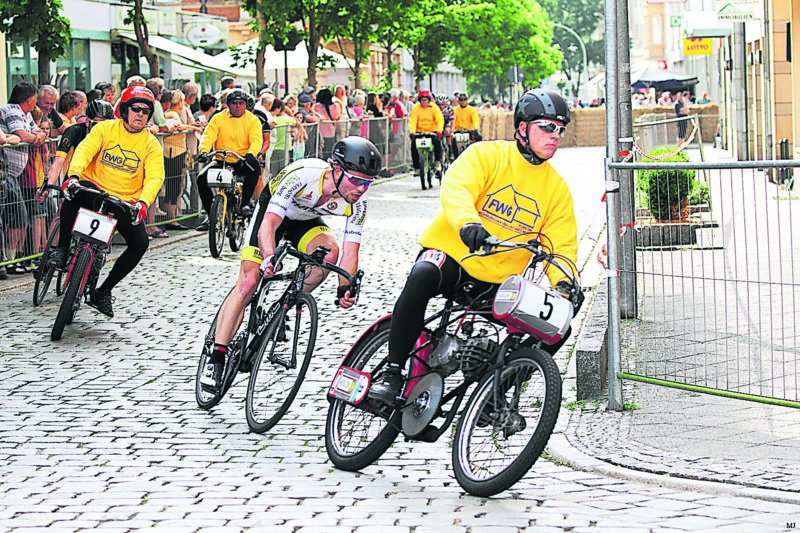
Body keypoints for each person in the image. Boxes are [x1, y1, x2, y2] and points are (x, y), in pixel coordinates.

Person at [369, 89, 584, 405]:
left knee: (557, 327)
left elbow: (561, 243)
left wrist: (565, 283)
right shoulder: (488, 155)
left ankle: (493, 395)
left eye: (560, 130)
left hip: (498, 282)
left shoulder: (557, 189)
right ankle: (392, 371)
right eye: (547, 127)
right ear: (522, 128)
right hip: (454, 256)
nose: (555, 136)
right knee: (422, 276)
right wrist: (468, 223)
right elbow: (458, 186)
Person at [199, 136, 383, 391]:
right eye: (357, 180)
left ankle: (280, 309)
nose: (362, 189)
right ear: (337, 171)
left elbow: (350, 252)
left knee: (330, 253)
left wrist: (345, 286)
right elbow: (270, 224)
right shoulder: (304, 175)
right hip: (272, 215)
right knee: (248, 283)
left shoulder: (358, 203)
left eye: (368, 183)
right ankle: (216, 357)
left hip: (306, 221)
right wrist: (269, 257)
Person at [45, 86, 165, 318]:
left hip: (124, 201)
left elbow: (155, 176)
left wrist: (143, 203)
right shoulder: (106, 128)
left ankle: (104, 291)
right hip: (93, 187)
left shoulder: (151, 144)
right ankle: (61, 249)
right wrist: (73, 176)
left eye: (145, 111)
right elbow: (85, 150)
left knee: (140, 243)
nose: (140, 114)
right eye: (135, 109)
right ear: (124, 110)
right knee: (73, 194)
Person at [195, 89, 262, 231]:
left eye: (241, 103)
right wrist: (204, 151)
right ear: (228, 104)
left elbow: (256, 139)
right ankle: (211, 216)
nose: (238, 106)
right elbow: (208, 136)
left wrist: (251, 154)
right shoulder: (218, 118)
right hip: (222, 159)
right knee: (201, 179)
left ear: (246, 105)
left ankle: (244, 203)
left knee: (255, 168)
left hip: (242, 159)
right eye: (234, 103)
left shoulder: (252, 120)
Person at [408, 89, 444, 189]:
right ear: (420, 100)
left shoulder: (434, 108)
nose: (424, 102)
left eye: (426, 100)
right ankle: (417, 168)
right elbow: (412, 121)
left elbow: (439, 119)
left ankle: (437, 162)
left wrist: (438, 131)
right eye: (422, 100)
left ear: (429, 100)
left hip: (432, 132)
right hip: (420, 132)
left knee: (437, 142)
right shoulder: (416, 109)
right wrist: (412, 132)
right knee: (413, 145)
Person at [451, 92, 482, 159]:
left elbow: (475, 121)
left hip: (469, 130)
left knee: (478, 138)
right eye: (461, 100)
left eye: (464, 100)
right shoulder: (455, 110)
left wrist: (476, 129)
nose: (463, 102)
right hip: (458, 130)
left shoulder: (472, 110)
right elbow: (453, 120)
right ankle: (454, 156)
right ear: (458, 101)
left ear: (467, 100)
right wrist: (452, 131)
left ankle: (478, 155)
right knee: (452, 140)